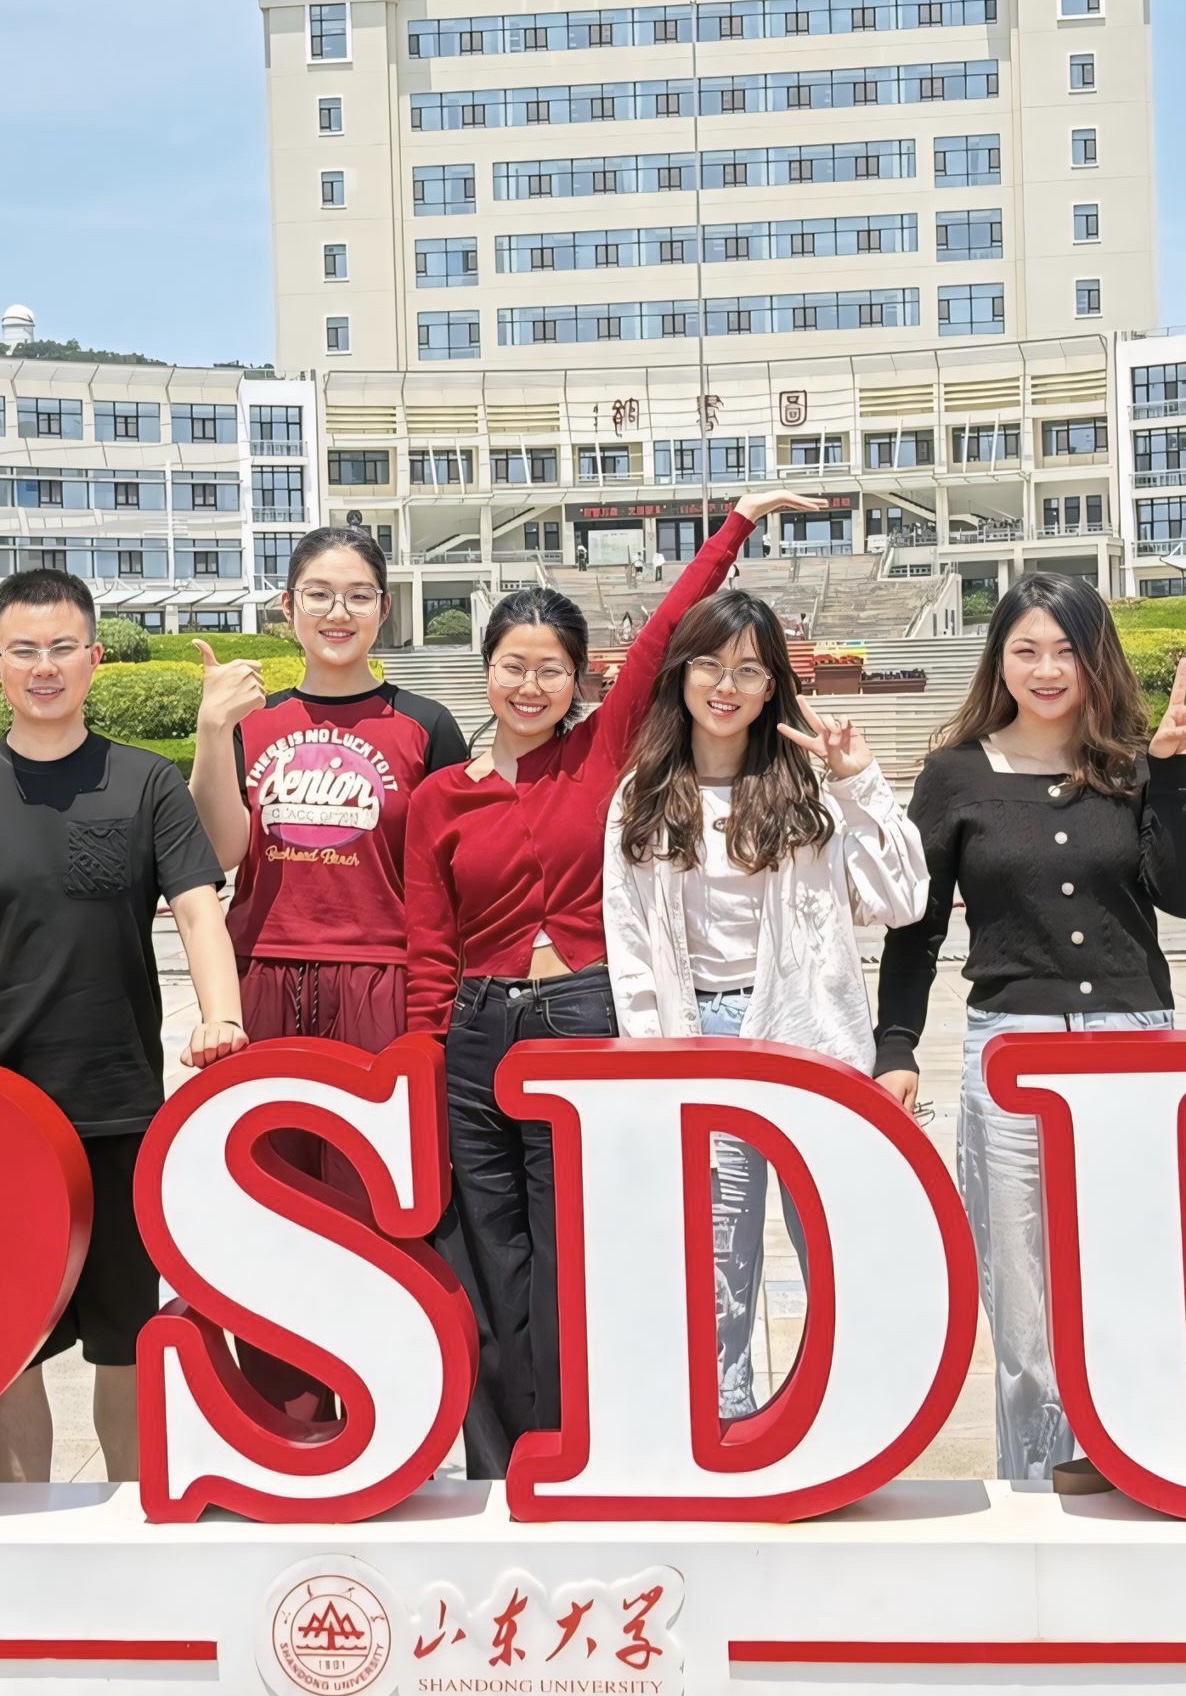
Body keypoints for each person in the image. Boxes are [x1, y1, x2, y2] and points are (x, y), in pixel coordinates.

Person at [403, 488, 825, 1477]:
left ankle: (582, 1444)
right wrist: (420, 1066)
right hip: (475, 1032)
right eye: (513, 666)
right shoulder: (439, 799)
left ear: (579, 678)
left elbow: (665, 636)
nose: (530, 686)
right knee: (488, 1250)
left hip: (581, 1019)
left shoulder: (599, 755)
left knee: (574, 1245)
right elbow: (427, 950)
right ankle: (503, 1460)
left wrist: (734, 524)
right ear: (484, 671)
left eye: (550, 668)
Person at [0, 568, 248, 1483]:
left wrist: (221, 1015)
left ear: (93, 659)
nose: (43, 667)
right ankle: (20, 1521)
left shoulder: (145, 782)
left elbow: (198, 908)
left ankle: (129, 1521)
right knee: (6, 1342)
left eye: (61, 649)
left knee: (125, 1340)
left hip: (118, 1103)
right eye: (24, 650)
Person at [871, 572, 1186, 1483]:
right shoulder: (953, 774)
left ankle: (1137, 1456)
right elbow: (916, 926)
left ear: (1096, 657)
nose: (1046, 669)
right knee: (1021, 1280)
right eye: (1025, 649)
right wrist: (895, 1046)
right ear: (998, 661)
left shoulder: (1134, 764)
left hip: (1132, 1044)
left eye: (1066, 649)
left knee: (1132, 1261)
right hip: (1012, 1051)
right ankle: (1038, 1475)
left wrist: (1173, 774)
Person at [599, 590, 927, 1421]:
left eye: (748, 670)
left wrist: (859, 782)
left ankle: (850, 1421)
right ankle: (728, 1422)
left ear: (772, 684)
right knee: (716, 1263)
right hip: (697, 1040)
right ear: (680, 675)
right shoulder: (642, 794)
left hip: (807, 1034)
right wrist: (653, 1061)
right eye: (709, 665)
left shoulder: (807, 788)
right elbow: (629, 946)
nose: (725, 686)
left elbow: (902, 901)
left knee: (832, 1245)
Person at [188, 528, 468, 1422]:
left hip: (380, 981)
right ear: (288, 607)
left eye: (356, 594)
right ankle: (292, 1427)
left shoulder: (424, 725)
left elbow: (451, 873)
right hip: (266, 977)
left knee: (375, 1207)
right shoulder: (252, 722)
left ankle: (386, 1412)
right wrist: (211, 730)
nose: (336, 611)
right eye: (317, 593)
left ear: (383, 608)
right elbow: (222, 851)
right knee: (268, 1202)